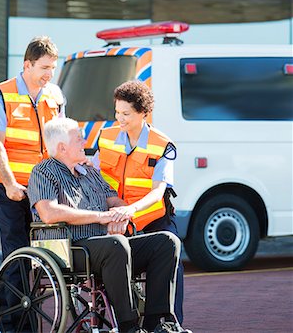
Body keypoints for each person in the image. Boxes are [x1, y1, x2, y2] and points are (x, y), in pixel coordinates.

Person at [28, 117, 192, 333]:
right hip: (72, 247)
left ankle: (157, 322)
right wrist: (100, 217)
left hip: (107, 246)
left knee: (167, 241)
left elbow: (114, 201)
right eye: (79, 139)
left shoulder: (90, 172)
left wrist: (121, 215)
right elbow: (49, 213)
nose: (84, 141)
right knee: (116, 245)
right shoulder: (43, 172)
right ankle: (128, 326)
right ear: (62, 148)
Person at [0, 36, 65, 332]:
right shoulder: (0, 95)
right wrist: (12, 184)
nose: (49, 74)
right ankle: (15, 327)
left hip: (42, 189)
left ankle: (11, 325)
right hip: (9, 187)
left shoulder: (54, 95)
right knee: (16, 256)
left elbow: (60, 141)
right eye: (44, 67)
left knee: (44, 258)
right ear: (26, 64)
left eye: (53, 68)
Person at [92, 80, 185, 325]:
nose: (119, 119)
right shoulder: (106, 138)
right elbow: (93, 176)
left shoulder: (162, 144)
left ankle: (165, 323)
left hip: (152, 218)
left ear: (143, 113)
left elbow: (158, 193)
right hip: (115, 217)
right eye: (117, 112)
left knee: (171, 252)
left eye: (126, 114)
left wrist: (131, 209)